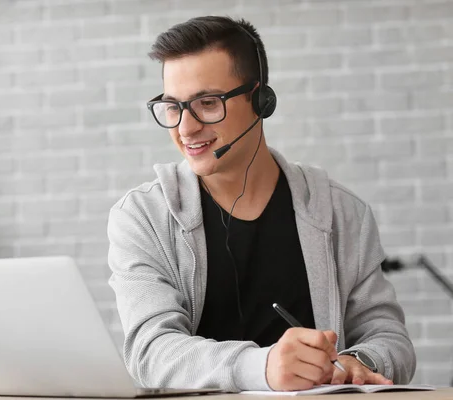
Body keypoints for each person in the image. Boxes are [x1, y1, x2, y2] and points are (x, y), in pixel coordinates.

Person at [106, 15, 416, 392]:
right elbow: (150, 352)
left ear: (261, 101)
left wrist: (360, 361)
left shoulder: (342, 213)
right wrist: (263, 367)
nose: (185, 128)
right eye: (173, 106)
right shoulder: (143, 217)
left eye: (207, 103)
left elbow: (391, 339)